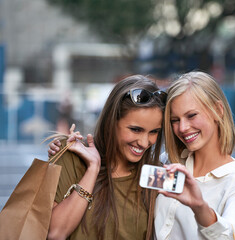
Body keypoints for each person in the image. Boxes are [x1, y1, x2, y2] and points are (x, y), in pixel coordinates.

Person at [46, 75, 167, 240]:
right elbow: (56, 233)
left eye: (154, 132)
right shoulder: (71, 156)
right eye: (136, 129)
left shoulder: (156, 174)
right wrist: (93, 168)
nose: (145, 142)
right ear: (112, 121)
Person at [155, 71, 235, 239]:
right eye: (175, 120)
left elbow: (233, 235)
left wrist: (199, 207)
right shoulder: (168, 162)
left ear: (218, 110)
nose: (182, 127)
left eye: (191, 115)